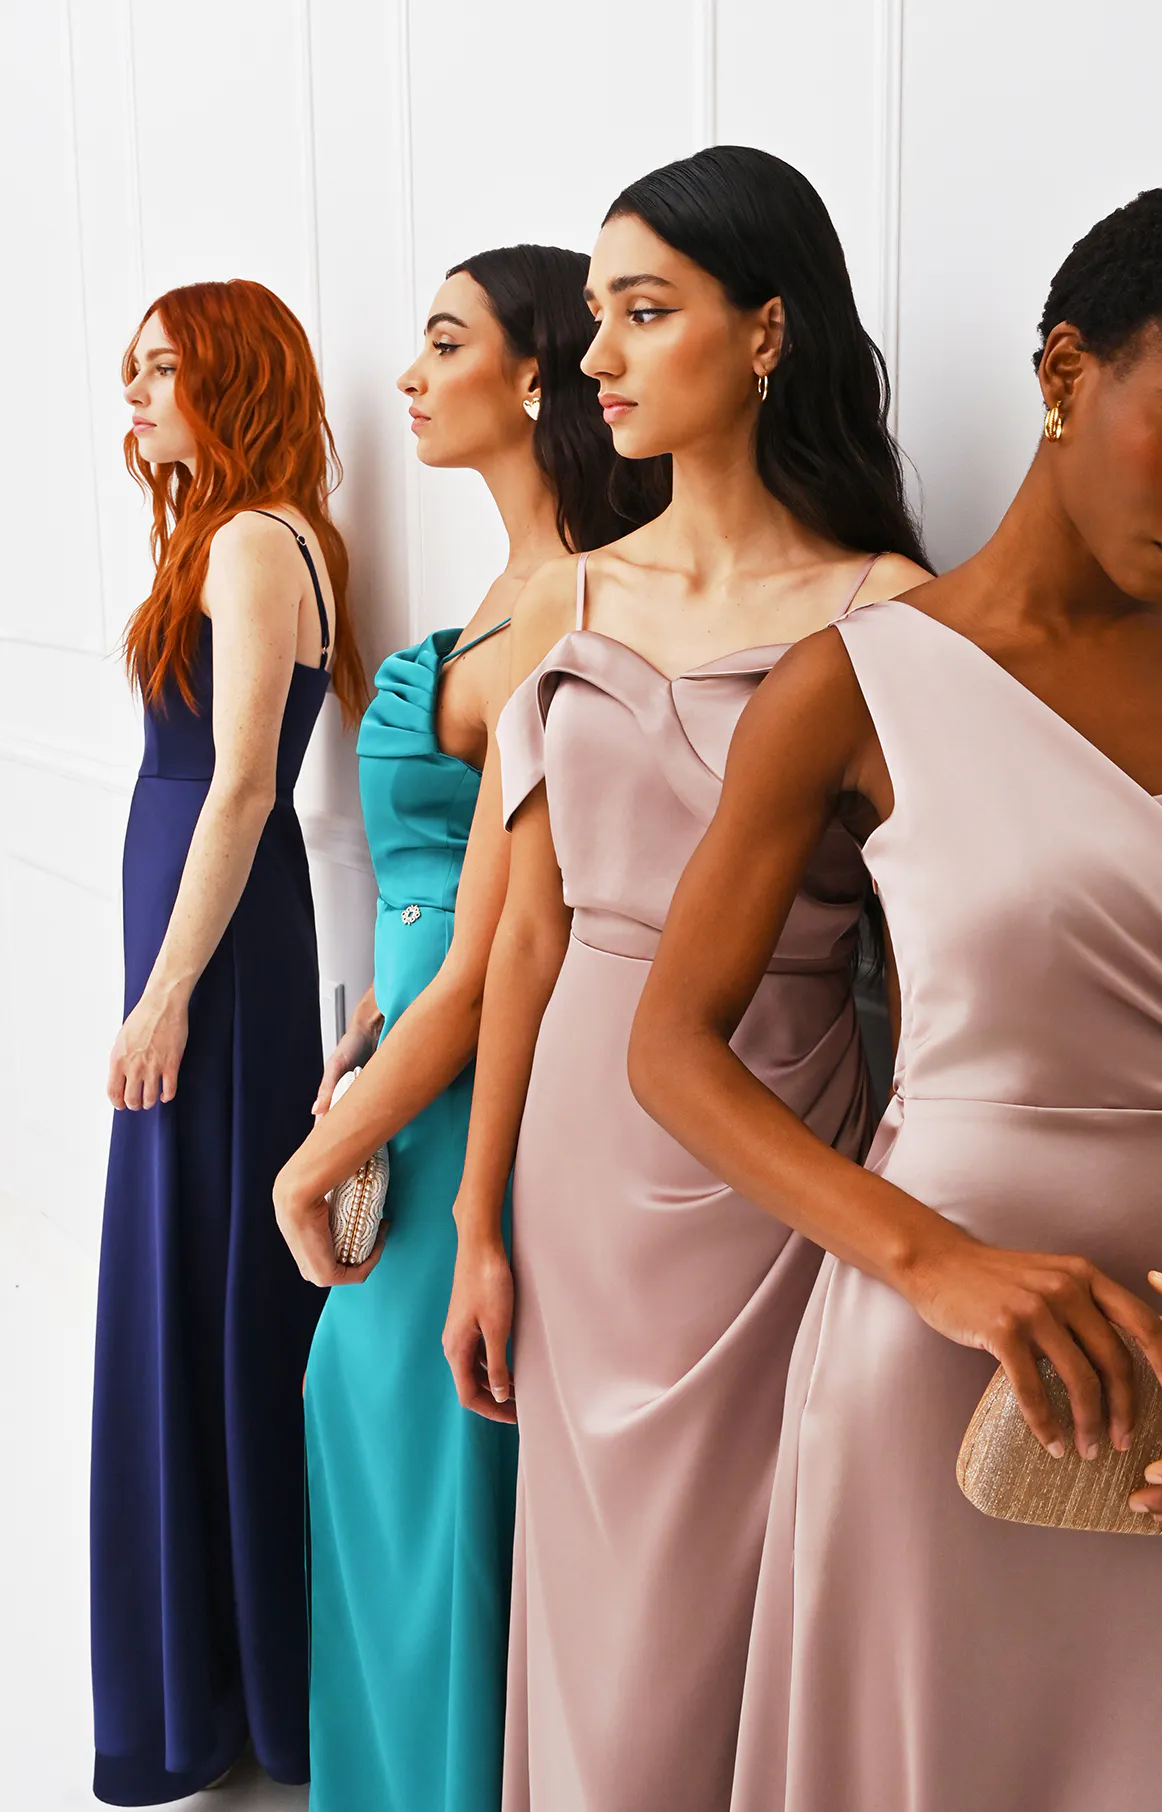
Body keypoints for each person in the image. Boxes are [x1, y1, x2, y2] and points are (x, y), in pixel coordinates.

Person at [630, 179, 1162, 1812]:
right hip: (938, 1349)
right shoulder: (853, 682)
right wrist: (938, 1267)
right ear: (1063, 371)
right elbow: (670, 1051)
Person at [443, 146, 929, 1812]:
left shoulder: (891, 616)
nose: (597, 361)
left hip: (784, 1165)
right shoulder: (563, 601)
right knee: (594, 1627)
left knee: (765, 1617)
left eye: (644, 314)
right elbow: (525, 933)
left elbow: (940, 957)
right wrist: (475, 1223)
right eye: (595, 318)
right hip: (581, 1167)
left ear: (769, 329)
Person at [272, 244, 665, 1812]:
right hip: (402, 1068)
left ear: (535, 379)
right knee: (377, 1449)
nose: (407, 377)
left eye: (445, 344)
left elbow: (508, 946)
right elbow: (424, 898)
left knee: (437, 1474)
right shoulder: (506, 593)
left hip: (474, 1101)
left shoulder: (583, 604)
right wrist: (360, 1032)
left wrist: (320, 1155)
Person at [93, 279, 365, 1803]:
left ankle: (235, 1694)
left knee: (209, 1290)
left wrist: (167, 994)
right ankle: (224, 1680)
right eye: (128, 370)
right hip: (200, 948)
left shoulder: (261, 543)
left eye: (161, 370)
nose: (133, 397)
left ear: (232, 379)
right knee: (189, 1287)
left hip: (222, 965)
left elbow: (247, 786)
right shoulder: (233, 533)